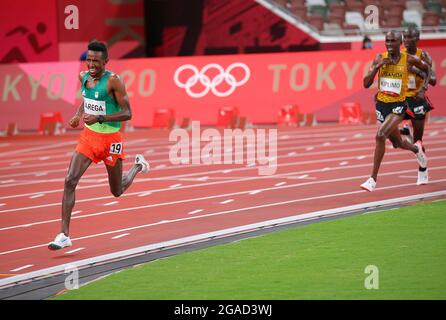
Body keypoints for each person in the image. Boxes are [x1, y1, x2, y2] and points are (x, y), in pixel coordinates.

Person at [48, 41, 149, 250]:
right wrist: (77, 115)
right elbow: (87, 99)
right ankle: (64, 234)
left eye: (96, 61)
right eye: (89, 60)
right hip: (89, 138)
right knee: (69, 180)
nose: (91, 65)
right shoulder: (83, 77)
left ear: (106, 62)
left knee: (117, 190)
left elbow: (128, 113)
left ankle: (138, 166)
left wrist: (100, 117)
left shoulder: (114, 81)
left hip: (111, 140)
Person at [360, 31, 430, 192]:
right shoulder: (379, 58)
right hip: (382, 105)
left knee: (380, 135)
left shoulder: (408, 59)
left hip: (398, 105)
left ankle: (372, 179)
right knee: (397, 143)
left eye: (393, 41)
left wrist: (423, 88)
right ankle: (416, 149)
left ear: (400, 43)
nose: (390, 44)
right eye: (387, 41)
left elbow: (427, 70)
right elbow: (365, 83)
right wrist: (377, 67)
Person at [399, 26, 436, 185]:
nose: (407, 40)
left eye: (410, 37)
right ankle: (405, 126)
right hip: (401, 99)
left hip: (418, 99)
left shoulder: (424, 56)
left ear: (417, 38)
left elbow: (433, 79)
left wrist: (416, 73)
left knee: (418, 142)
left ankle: (423, 169)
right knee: (389, 128)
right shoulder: (398, 56)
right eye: (405, 37)